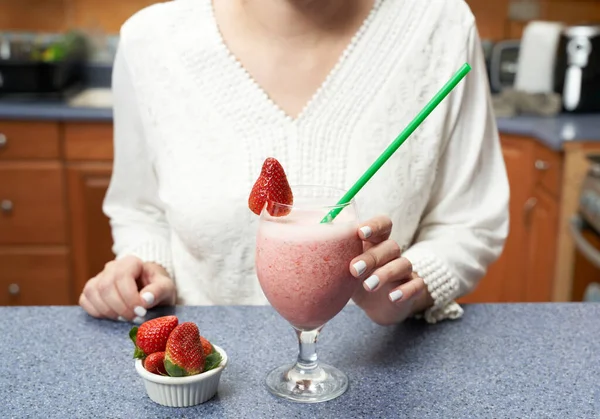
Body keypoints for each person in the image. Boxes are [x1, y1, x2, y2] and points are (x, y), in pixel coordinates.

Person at [79, 0, 509, 326]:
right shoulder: (150, 40)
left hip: (381, 366)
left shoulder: (442, 26)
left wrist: (413, 286)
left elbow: (470, 222)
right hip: (206, 365)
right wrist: (147, 267)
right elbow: (141, 210)